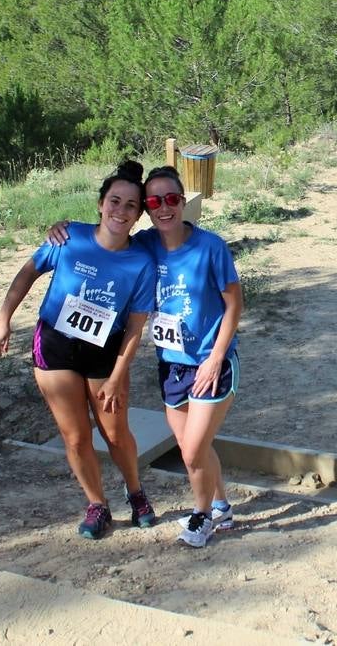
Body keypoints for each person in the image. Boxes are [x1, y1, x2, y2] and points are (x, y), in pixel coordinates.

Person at [47, 164, 243, 549]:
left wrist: (217, 356)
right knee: (195, 447)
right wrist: (62, 227)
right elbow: (107, 235)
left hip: (210, 363)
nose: (163, 207)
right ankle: (221, 505)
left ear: (183, 202)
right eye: (154, 201)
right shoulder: (146, 244)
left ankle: (202, 516)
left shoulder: (210, 247)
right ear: (147, 210)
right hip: (172, 365)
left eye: (171, 199)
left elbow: (235, 303)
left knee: (192, 452)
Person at [0, 161, 157, 540]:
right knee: (76, 437)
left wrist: (116, 376)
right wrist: (3, 319)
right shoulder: (69, 238)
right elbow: (28, 272)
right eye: (115, 201)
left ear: (138, 215)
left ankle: (136, 493)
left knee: (115, 434)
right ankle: (98, 504)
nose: (121, 210)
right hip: (55, 348)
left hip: (105, 354)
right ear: (101, 203)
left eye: (131, 206)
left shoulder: (141, 263)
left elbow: (135, 326)